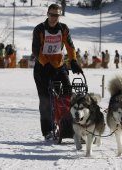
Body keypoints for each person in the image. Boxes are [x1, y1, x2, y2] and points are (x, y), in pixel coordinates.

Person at [32, 4, 83, 141]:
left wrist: (73, 61)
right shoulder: (39, 29)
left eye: (57, 15)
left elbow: (70, 46)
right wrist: (45, 63)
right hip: (42, 69)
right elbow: (36, 50)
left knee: (68, 95)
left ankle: (70, 126)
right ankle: (48, 131)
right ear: (47, 14)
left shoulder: (63, 29)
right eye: (52, 14)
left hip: (58, 66)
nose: (54, 18)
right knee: (46, 101)